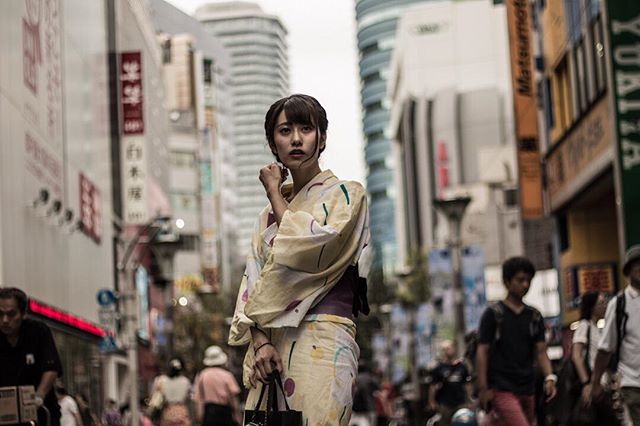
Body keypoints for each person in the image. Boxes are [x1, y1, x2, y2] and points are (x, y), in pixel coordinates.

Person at [228, 94, 370, 425]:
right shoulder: (265, 217)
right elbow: (253, 282)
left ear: (321, 137)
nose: (295, 139)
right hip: (273, 349)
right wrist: (260, 343)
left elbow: (313, 249)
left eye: (306, 128)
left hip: (325, 339)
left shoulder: (347, 195)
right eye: (284, 130)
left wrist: (276, 194)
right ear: (271, 142)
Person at [476, 257, 557, 426]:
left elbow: (541, 352)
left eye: (528, 280)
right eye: (520, 280)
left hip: (528, 388)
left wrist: (550, 377)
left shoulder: (534, 316)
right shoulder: (493, 314)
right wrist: (483, 389)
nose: (525, 285)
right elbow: (482, 351)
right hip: (501, 388)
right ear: (507, 281)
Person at [589, 244, 640, 425]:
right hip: (632, 384)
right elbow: (605, 349)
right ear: (628, 272)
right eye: (635, 265)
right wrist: (595, 384)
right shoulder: (619, 304)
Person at [0, 287, 63, 426]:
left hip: (40, 411)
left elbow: (51, 368)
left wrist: (39, 396)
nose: (5, 320)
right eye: (0, 314)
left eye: (11, 314)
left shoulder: (38, 331)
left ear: (23, 314)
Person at [568, 291, 618, 424]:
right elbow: (576, 355)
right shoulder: (585, 326)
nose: (605, 306)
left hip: (602, 386)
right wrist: (586, 383)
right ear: (592, 307)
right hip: (592, 387)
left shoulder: (598, 328)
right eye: (601, 303)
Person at [192, 345, 241, 426]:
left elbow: (198, 399)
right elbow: (233, 398)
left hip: (209, 414)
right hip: (225, 414)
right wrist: (237, 416)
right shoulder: (227, 375)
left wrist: (199, 417)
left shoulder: (202, 375)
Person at [427, 340, 473, 426]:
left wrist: (470, 399)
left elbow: (467, 384)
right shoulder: (439, 368)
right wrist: (431, 401)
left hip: (461, 403)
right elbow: (433, 386)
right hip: (445, 404)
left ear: (453, 349)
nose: (447, 351)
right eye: (444, 349)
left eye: (448, 348)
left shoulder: (462, 366)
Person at [150, 357, 192, 426]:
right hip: (181, 411)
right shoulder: (185, 381)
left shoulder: (161, 380)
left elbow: (154, 398)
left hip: (168, 411)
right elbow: (188, 398)